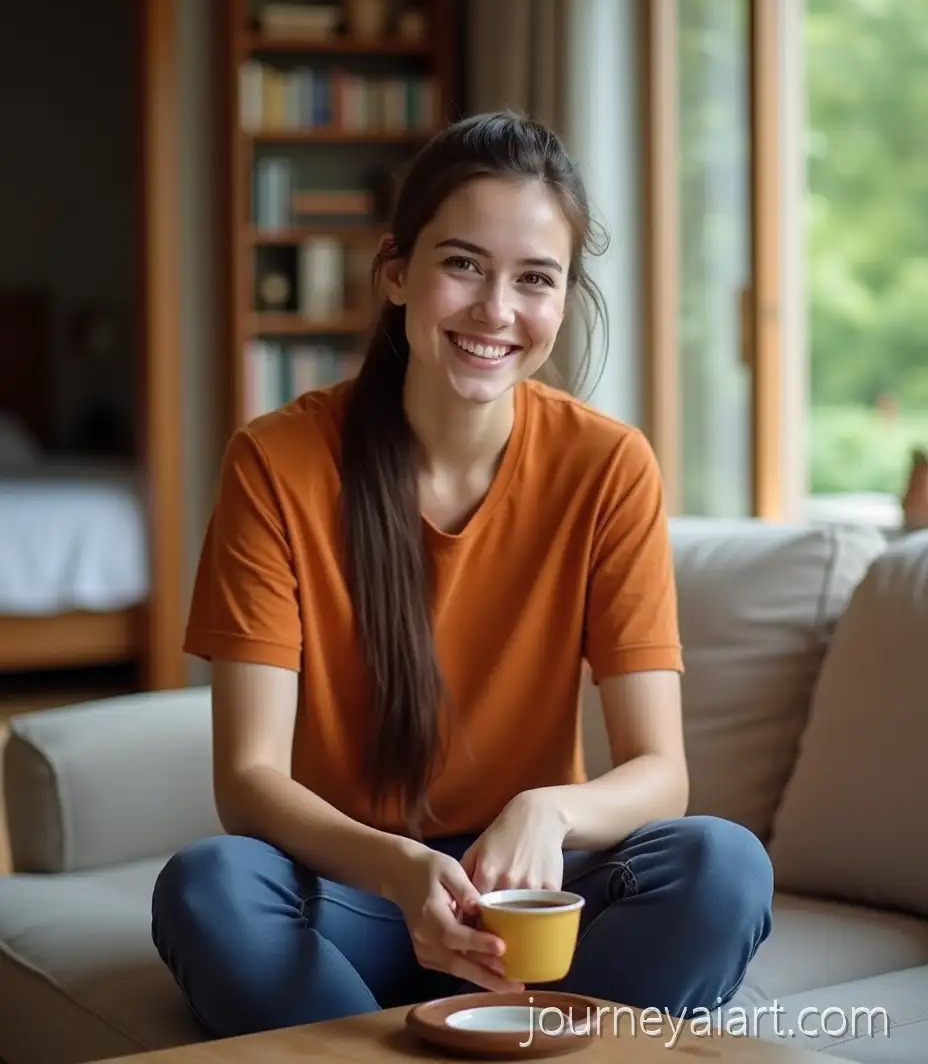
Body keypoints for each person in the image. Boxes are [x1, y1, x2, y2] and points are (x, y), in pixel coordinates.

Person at [151, 110, 772, 1038]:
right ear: (397, 273)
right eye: (463, 264)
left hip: (529, 907)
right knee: (208, 886)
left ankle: (526, 1037)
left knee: (722, 866)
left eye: (535, 279)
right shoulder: (276, 462)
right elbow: (247, 778)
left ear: (564, 301)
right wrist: (402, 871)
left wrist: (550, 813)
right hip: (358, 896)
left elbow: (660, 774)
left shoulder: (607, 467)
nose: (496, 310)